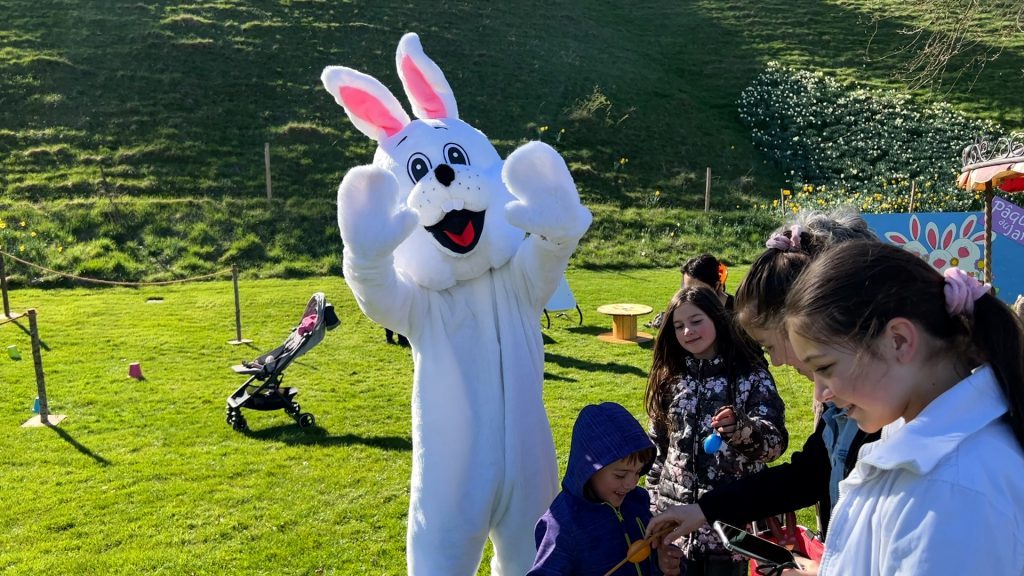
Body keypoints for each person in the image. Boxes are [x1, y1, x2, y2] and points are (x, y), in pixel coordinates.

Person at [647, 209, 881, 576]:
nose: (783, 362)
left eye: (774, 345)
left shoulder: (908, 436)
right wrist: (701, 511)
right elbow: (807, 477)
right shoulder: (850, 409)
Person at [783, 241, 1024, 574]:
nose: (821, 392)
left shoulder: (952, 491)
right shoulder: (930, 455)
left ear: (898, 340)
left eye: (824, 367)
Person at [645, 286, 788, 576]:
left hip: (730, 532)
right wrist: (652, 507)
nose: (687, 332)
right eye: (679, 326)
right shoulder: (670, 378)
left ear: (717, 319)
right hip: (674, 531)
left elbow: (774, 444)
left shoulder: (750, 375)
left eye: (696, 321)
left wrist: (743, 430)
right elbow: (657, 451)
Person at [528, 402, 682, 575]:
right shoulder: (563, 525)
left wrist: (661, 565)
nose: (632, 484)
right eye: (620, 475)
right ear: (589, 469)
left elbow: (647, 561)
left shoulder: (637, 502)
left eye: (638, 472)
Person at [650, 254, 732, 329]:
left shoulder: (737, 315)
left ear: (716, 286)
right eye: (687, 289)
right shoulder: (685, 306)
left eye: (699, 291)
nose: (691, 297)